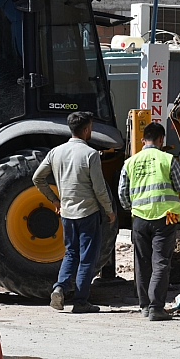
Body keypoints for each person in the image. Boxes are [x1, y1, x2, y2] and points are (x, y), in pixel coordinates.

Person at [33, 111, 116, 313]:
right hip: (88, 213)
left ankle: (60, 287)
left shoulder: (55, 152)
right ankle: (80, 301)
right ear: (87, 129)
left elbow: (37, 178)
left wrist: (54, 200)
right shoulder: (90, 154)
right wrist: (109, 210)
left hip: (67, 213)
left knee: (71, 253)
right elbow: (99, 188)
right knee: (87, 257)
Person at [118, 122, 180, 321]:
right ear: (161, 139)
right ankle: (156, 307)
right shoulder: (167, 159)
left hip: (139, 219)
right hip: (165, 217)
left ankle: (145, 306)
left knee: (142, 263)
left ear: (143, 140)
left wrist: (134, 207)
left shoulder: (130, 162)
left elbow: (122, 194)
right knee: (161, 262)